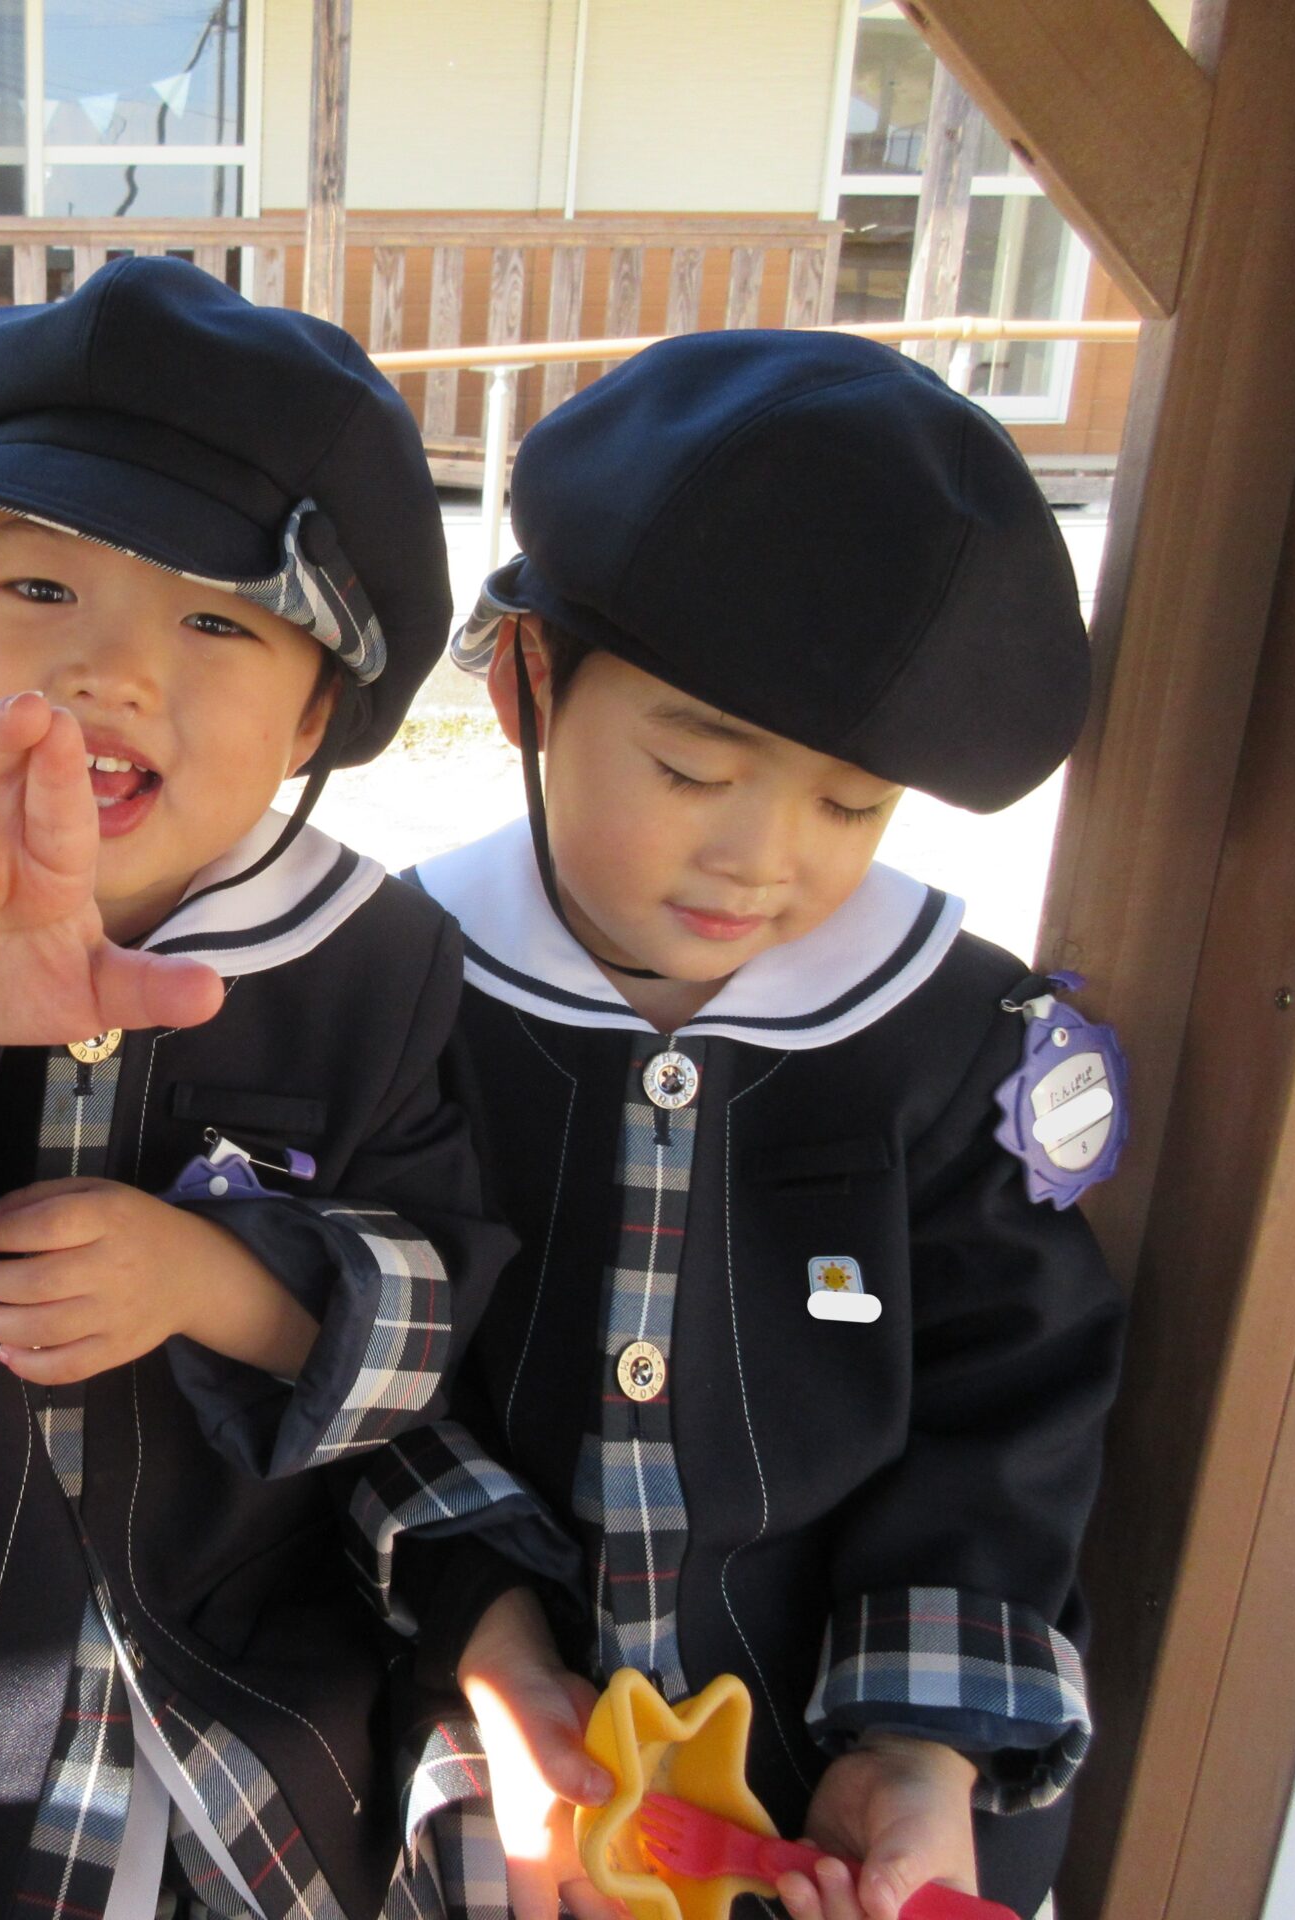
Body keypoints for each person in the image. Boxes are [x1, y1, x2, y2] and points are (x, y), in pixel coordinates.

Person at [0, 257, 516, 1919]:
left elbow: (436, 1291)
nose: (114, 669)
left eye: (214, 619)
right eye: (42, 588)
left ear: (317, 709)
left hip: (257, 1715)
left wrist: (217, 1282)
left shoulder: (368, 962)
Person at [375, 329, 1126, 1920]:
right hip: (477, 1719)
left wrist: (920, 1745)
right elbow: (363, 1357)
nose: (764, 861)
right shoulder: (401, 989)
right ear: (527, 679)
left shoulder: (952, 1041)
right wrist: (491, 1645)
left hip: (823, 1780)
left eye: (851, 804)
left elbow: (1013, 1401)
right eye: (693, 768)